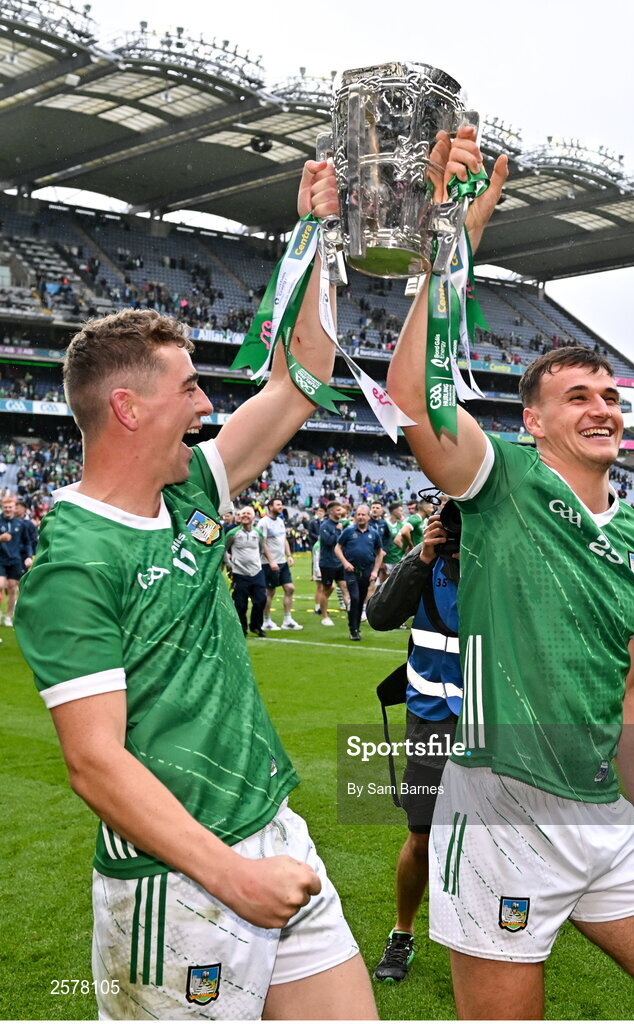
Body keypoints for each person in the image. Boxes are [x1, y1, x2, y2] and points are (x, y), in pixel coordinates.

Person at [383, 126, 634, 1020]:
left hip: (605, 816)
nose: (602, 410)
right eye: (578, 397)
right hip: (501, 808)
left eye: (612, 398)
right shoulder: (500, 483)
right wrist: (445, 235)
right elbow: (412, 398)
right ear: (534, 422)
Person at [13, 159, 377, 1021]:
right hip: (177, 884)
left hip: (274, 833)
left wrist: (318, 242)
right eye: (189, 390)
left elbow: (301, 381)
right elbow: (94, 763)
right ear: (131, 409)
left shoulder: (190, 492)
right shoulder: (69, 564)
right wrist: (231, 875)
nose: (208, 405)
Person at [367, 510, 462, 982]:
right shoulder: (423, 561)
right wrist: (422, 556)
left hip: (491, 723)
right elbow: (381, 616)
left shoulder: (504, 563)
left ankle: (497, 926)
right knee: (421, 837)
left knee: (500, 835)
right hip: (429, 720)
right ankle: (402, 933)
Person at [335, 503, 384, 641]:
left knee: (361, 600)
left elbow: (380, 553)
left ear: (368, 517)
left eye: (363, 514)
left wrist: (375, 571)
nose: (360, 517)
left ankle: (356, 627)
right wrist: (345, 563)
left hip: (367, 572)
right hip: (351, 571)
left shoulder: (374, 534)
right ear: (355, 516)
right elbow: (337, 548)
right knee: (355, 598)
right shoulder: (349, 531)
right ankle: (353, 629)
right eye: (358, 515)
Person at [259, 496, 303, 630]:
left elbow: (284, 540)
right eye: (278, 505)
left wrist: (289, 555)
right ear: (270, 507)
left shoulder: (280, 521)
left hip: (282, 561)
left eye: (281, 504)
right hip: (269, 563)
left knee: (290, 588)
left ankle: (287, 620)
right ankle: (266, 621)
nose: (281, 507)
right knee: (269, 592)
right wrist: (271, 561)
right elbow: (262, 543)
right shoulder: (263, 522)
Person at [224, 505, 266, 637]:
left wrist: (255, 562)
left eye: (248, 514)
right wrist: (229, 563)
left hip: (256, 572)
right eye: (243, 514)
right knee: (240, 604)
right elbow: (223, 548)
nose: (245, 516)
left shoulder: (258, 533)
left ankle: (256, 626)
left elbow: (261, 549)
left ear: (253, 517)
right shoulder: (233, 533)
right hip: (239, 574)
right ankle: (242, 628)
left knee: (261, 600)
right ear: (239, 517)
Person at [0, 494, 34, 626]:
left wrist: (28, 557)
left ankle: (8, 616)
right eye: (5, 507)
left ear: (14, 508)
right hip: (1, 559)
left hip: (15, 560)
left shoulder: (20, 524)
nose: (8, 509)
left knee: (12, 588)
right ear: (2, 507)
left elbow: (27, 542)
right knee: (0, 585)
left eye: (10, 507)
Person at [317, 499, 346, 627]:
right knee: (327, 589)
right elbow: (329, 542)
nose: (341, 512)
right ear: (331, 511)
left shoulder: (340, 524)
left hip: (339, 563)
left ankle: (352, 613)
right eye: (338, 510)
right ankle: (324, 616)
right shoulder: (325, 526)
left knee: (345, 587)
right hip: (327, 563)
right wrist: (338, 531)